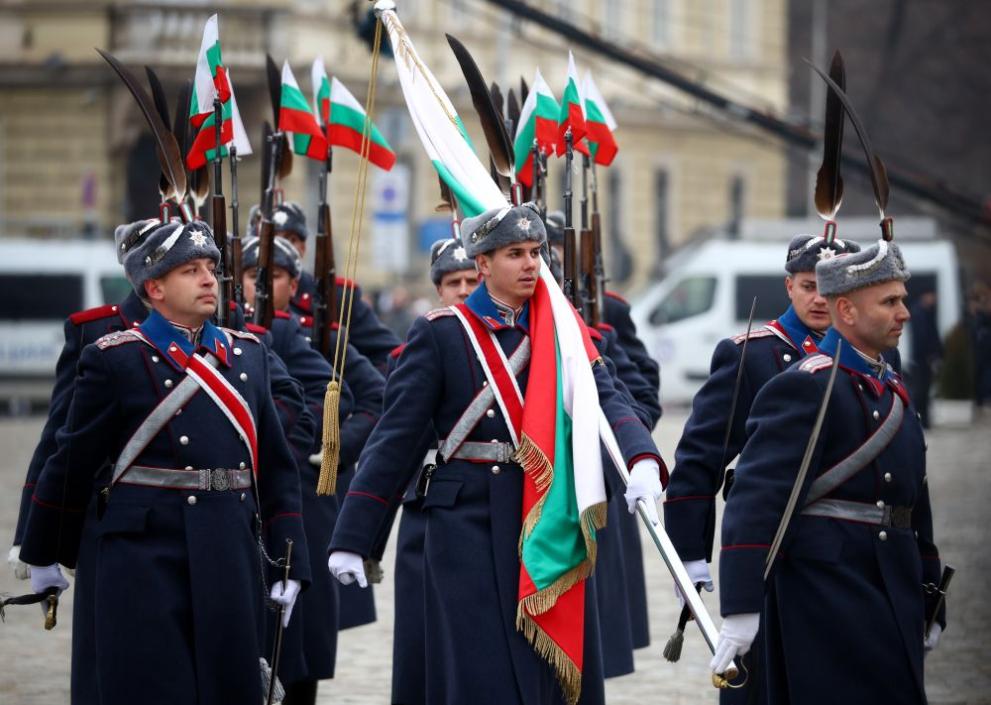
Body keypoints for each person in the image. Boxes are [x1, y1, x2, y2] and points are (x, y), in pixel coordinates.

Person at [328, 204, 666, 705]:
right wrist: (354, 536)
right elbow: (394, 439)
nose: (531, 264)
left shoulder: (562, 331)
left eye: (535, 253)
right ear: (483, 264)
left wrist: (640, 458)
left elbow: (606, 398)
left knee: (547, 678)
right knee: (481, 676)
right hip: (466, 524)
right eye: (515, 254)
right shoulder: (442, 332)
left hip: (548, 519)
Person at [8, 218, 312, 704]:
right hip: (142, 558)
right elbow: (71, 461)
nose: (210, 279)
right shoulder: (115, 358)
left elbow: (275, 471)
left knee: (228, 689)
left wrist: (290, 561)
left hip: (228, 552)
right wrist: (42, 549)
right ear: (155, 287)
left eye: (210, 267)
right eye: (190, 270)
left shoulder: (248, 357)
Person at [712, 238, 945, 704]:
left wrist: (930, 589)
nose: (905, 313)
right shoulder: (805, 386)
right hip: (826, 596)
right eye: (890, 301)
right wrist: (740, 607)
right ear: (849, 310)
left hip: (891, 587)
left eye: (902, 299)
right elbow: (756, 497)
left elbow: (910, 502)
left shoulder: (891, 386)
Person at [663, 232, 861, 702]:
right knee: (769, 678)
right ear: (789, 284)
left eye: (831, 289)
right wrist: (689, 555)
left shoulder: (871, 356)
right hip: (771, 545)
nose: (820, 299)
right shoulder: (752, 353)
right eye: (809, 285)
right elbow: (699, 456)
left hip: (845, 548)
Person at [240, 234, 357, 705]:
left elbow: (334, 397)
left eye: (271, 276)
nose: (259, 287)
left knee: (289, 644)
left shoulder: (282, 334)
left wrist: (288, 449)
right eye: (251, 276)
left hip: (282, 494)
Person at [249, 202, 400, 370]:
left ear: (303, 247)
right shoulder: (240, 299)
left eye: (291, 239)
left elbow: (389, 355)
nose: (282, 246)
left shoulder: (336, 296)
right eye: (272, 238)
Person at [909, 291, 943, 428]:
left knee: (923, 390)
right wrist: (930, 354)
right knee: (922, 390)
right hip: (922, 359)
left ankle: (924, 420)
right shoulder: (920, 313)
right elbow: (924, 337)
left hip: (922, 358)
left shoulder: (923, 312)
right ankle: (922, 420)